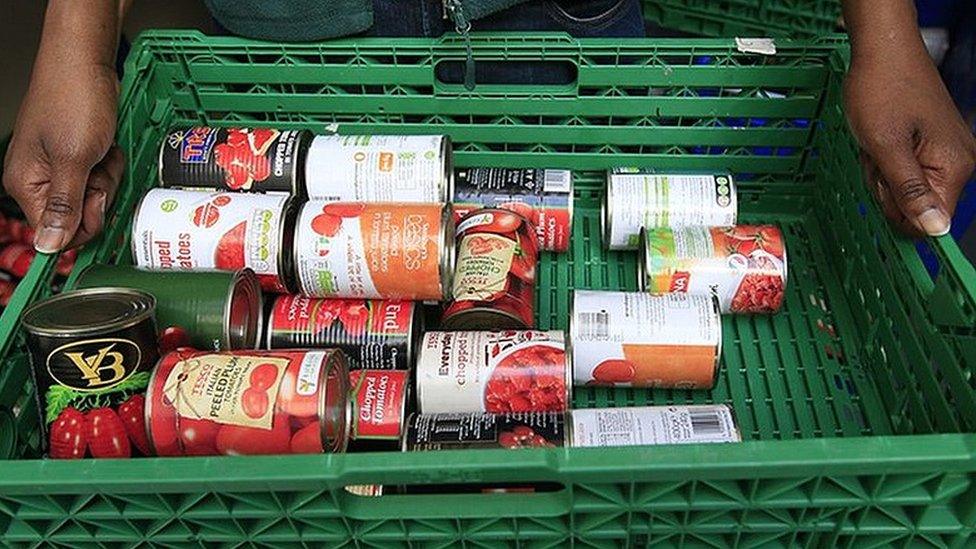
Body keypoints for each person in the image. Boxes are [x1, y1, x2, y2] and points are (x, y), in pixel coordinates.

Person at [3, 0, 975, 254]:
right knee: (298, 299)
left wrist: (884, 32)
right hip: (298, 35)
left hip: (557, 26)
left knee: (549, 276)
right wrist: (76, 40)